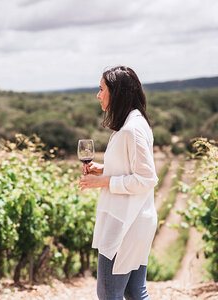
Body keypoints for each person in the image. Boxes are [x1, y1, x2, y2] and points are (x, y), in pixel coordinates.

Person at [78, 66, 158, 300]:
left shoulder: (131, 130)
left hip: (126, 223)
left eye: (102, 89)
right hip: (136, 219)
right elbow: (133, 168)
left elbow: (147, 178)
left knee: (108, 293)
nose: (98, 95)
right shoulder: (135, 123)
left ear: (117, 92)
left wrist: (103, 181)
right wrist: (103, 169)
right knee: (134, 291)